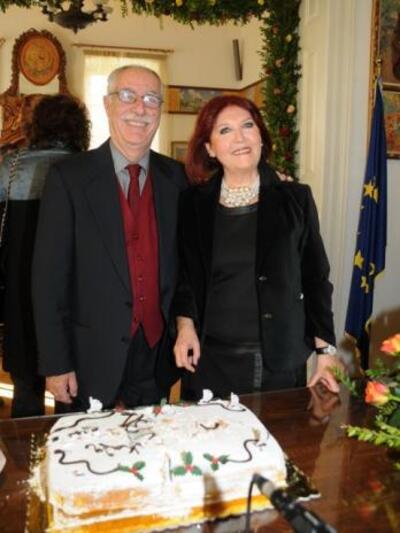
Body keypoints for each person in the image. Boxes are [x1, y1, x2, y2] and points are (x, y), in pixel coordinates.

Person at [32, 65, 187, 411]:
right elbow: (48, 281)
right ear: (107, 104)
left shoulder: (177, 178)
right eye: (128, 96)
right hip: (87, 360)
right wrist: (56, 363)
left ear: (160, 110)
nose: (140, 108)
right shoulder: (68, 178)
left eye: (151, 99)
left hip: (156, 357)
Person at [173, 95, 341, 400]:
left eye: (248, 125)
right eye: (225, 130)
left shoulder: (295, 198)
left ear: (261, 136)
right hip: (209, 360)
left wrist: (325, 352)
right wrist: (185, 326)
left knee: (278, 433)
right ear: (210, 148)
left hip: (278, 362)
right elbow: (185, 276)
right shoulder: (193, 203)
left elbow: (315, 279)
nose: (240, 138)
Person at [0, 94, 90, 417]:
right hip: (72, 294)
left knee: (26, 391)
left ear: (35, 126)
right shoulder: (87, 168)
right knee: (72, 393)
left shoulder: (9, 167)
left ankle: (25, 449)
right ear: (79, 128)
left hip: (19, 291)